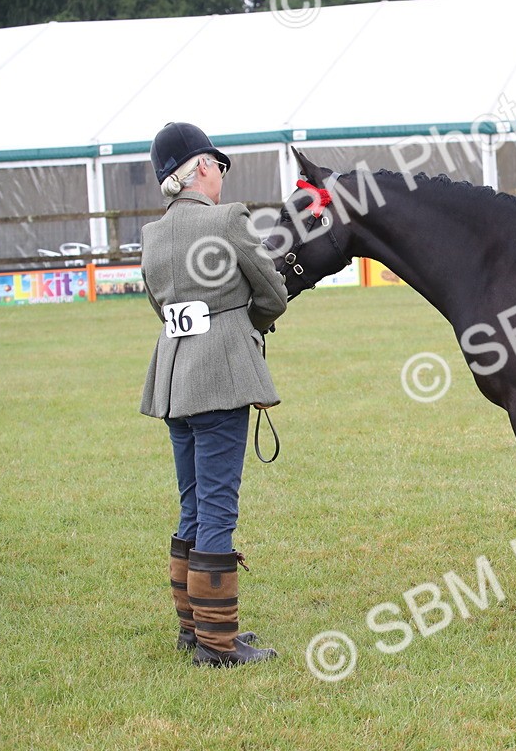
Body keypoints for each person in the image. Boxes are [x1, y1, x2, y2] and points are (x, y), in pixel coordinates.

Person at [141, 122, 288, 667]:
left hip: (173, 377)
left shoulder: (153, 236)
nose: (221, 177)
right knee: (219, 505)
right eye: (217, 166)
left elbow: (160, 305)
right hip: (220, 374)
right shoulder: (228, 220)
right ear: (202, 167)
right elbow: (272, 292)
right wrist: (243, 321)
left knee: (192, 502)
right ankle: (218, 644)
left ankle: (194, 630)